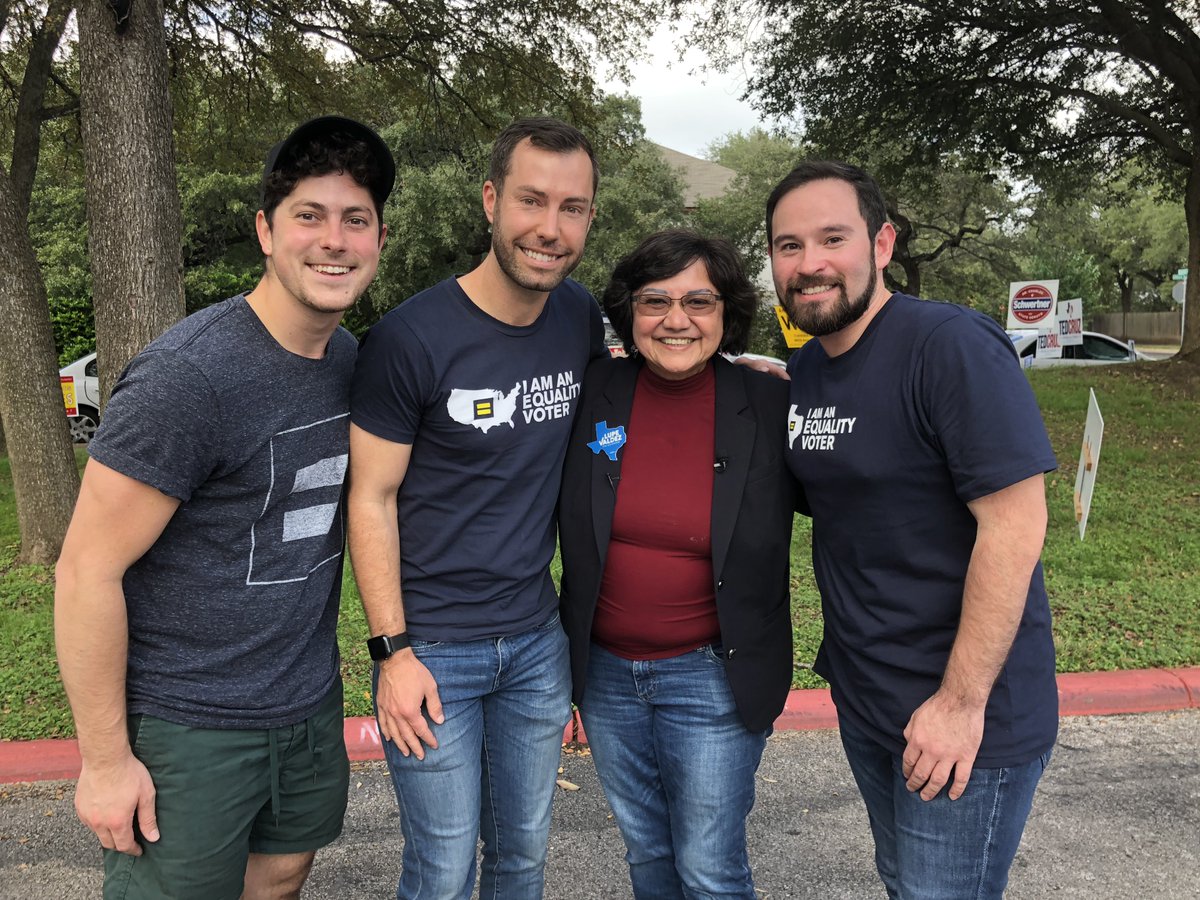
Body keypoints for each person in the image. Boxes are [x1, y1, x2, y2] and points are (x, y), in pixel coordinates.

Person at [53, 116, 393, 900]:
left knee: (281, 875)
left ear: (378, 238)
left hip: (305, 704)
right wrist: (105, 762)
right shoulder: (189, 378)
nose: (333, 240)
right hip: (188, 721)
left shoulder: (351, 361)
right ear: (265, 232)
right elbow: (84, 571)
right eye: (309, 215)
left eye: (356, 220)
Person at [767, 160, 1058, 899]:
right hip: (868, 699)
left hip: (962, 715)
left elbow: (1016, 526)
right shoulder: (809, 373)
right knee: (903, 881)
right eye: (788, 246)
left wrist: (959, 706)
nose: (811, 264)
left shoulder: (948, 346)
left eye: (833, 238)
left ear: (883, 243)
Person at [346, 117, 606, 899]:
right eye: (532, 201)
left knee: (522, 858)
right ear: (491, 201)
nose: (550, 228)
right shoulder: (410, 338)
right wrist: (392, 653)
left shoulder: (578, 318)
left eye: (573, 208)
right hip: (434, 653)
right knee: (443, 868)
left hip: (535, 642)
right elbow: (372, 495)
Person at [557, 230, 797, 899]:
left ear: (726, 314)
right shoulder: (592, 391)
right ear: (630, 313)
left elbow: (858, 492)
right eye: (655, 301)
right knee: (648, 855)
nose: (676, 320)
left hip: (712, 675)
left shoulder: (771, 404)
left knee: (708, 869)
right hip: (605, 677)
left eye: (699, 301)